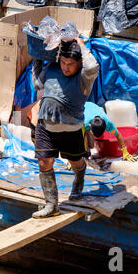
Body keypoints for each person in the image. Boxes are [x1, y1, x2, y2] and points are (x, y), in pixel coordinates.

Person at [31, 38, 99, 219]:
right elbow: (37, 84)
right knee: (44, 162)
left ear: (79, 64)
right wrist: (37, 58)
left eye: (71, 64)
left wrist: (81, 45)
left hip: (71, 129)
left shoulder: (84, 78)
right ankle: (51, 204)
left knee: (75, 161)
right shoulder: (52, 69)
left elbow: (92, 67)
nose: (66, 67)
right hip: (45, 126)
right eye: (63, 62)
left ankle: (79, 176)